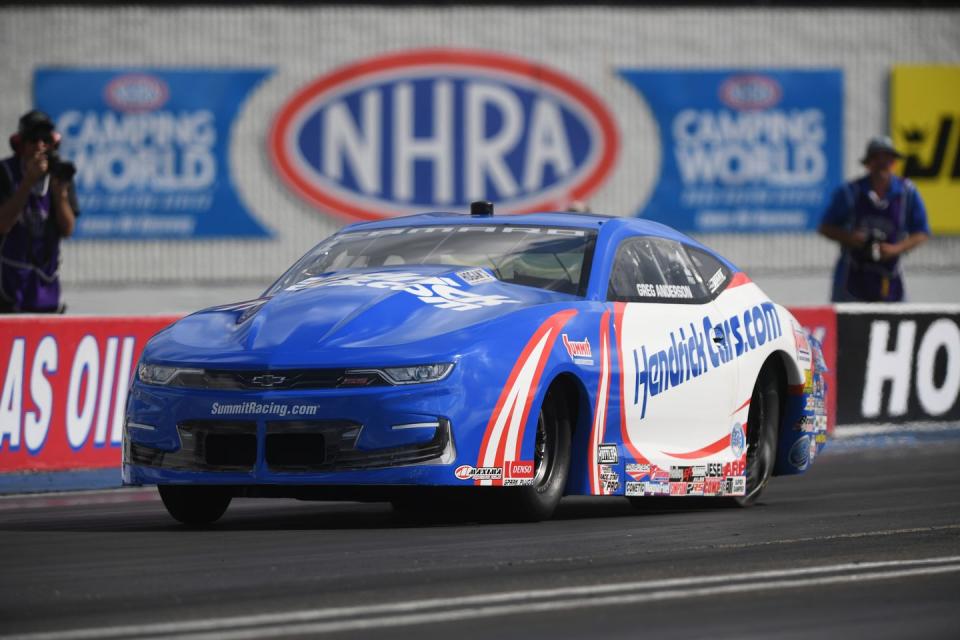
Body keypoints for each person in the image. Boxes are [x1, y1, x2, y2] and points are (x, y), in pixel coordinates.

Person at [818, 135, 930, 302]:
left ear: (894, 163)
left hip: (890, 278)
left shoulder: (907, 192)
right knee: (849, 324)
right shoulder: (851, 192)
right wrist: (851, 238)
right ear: (868, 163)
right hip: (853, 278)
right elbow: (825, 227)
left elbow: (921, 232)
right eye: (877, 159)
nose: (882, 165)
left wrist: (895, 249)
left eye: (887, 159)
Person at [0, 110, 79, 313]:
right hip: (9, 288)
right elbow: (3, 224)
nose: (40, 146)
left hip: (45, 285)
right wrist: (27, 184)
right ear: (22, 144)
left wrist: (59, 194)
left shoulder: (59, 173)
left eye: (45, 140)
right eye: (33, 140)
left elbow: (68, 228)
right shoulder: (6, 173)